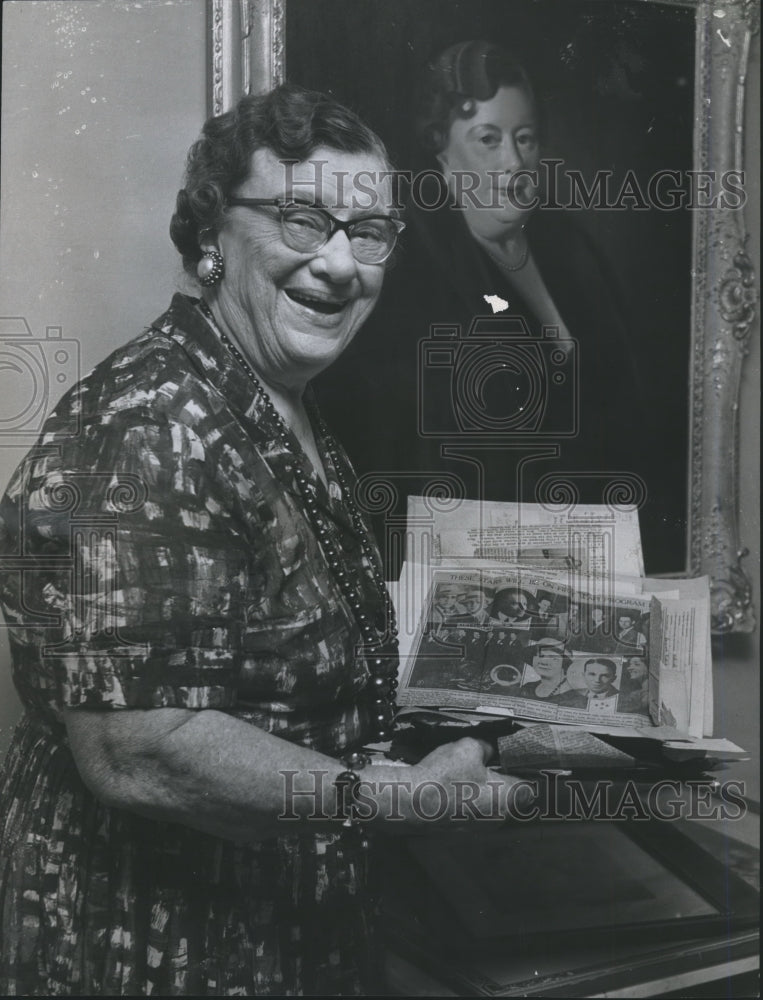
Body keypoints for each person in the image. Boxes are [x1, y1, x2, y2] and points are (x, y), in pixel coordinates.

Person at [0, 85, 531, 996]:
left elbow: (278, 673)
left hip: (281, 923)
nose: (337, 264)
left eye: (368, 234)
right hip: (154, 943)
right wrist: (391, 800)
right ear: (212, 232)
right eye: (300, 220)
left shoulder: (279, 400)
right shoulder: (148, 423)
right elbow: (137, 750)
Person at [314, 39, 648, 579]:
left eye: (525, 138)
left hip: (593, 554)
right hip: (472, 572)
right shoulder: (410, 273)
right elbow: (411, 462)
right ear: (441, 153)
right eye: (488, 140)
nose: (513, 161)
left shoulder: (571, 249)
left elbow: (622, 411)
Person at [517, 639, 587, 707]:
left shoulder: (576, 698)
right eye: (541, 655)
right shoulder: (528, 688)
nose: (544, 662)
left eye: (553, 658)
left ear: (564, 664)